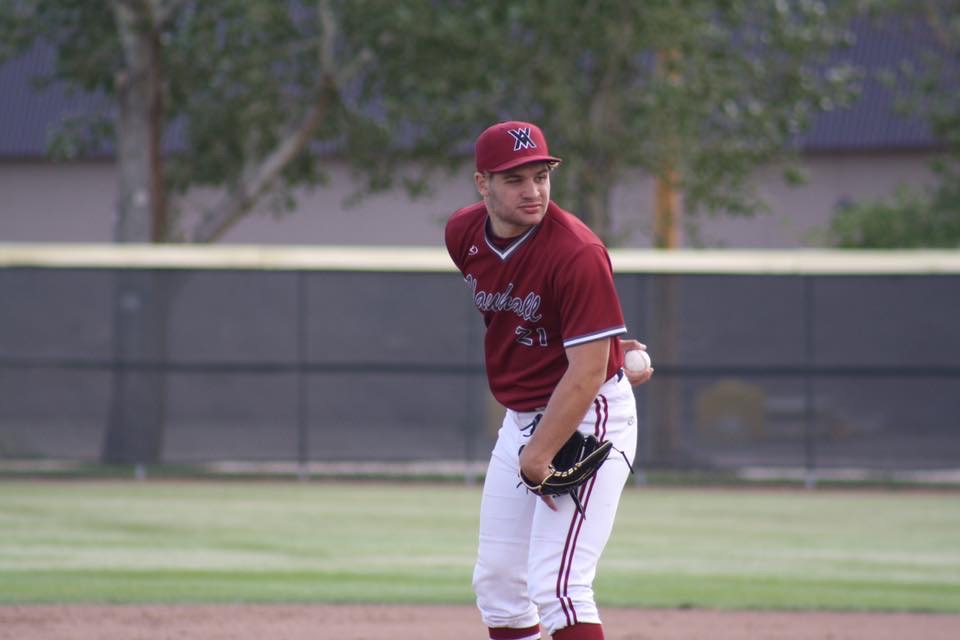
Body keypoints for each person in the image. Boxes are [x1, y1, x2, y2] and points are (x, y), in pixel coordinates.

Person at [444, 121, 654, 640]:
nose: (533, 190)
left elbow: (584, 374)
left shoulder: (576, 251)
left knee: (559, 586)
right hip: (524, 418)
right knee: (497, 586)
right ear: (482, 183)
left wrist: (537, 457)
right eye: (515, 179)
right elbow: (527, 322)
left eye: (541, 175)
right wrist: (612, 346)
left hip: (589, 415)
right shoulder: (463, 235)